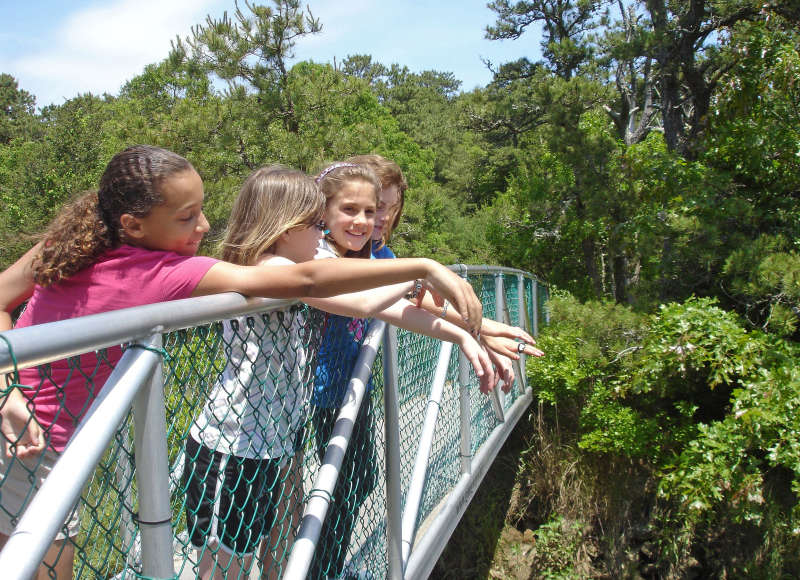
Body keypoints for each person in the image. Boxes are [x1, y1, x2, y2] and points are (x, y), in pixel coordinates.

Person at [0, 145, 484, 579]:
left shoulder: (74, 244)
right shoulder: (162, 271)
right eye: (188, 217)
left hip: (29, 431)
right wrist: (423, 268)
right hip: (33, 440)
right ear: (133, 224)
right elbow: (309, 281)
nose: (206, 227)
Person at [184, 165, 491, 580]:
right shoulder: (268, 268)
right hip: (232, 444)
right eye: (315, 224)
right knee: (222, 566)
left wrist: (465, 333)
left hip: (268, 440)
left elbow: (371, 301)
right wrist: (421, 272)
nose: (322, 234)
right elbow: (356, 300)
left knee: (251, 552)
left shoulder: (287, 269)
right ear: (283, 224)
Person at [347, 153, 544, 388]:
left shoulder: (381, 253)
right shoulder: (338, 251)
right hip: (314, 398)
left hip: (355, 384)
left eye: (392, 208)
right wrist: (476, 331)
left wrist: (480, 331)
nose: (385, 217)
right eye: (377, 207)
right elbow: (382, 299)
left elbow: (416, 298)